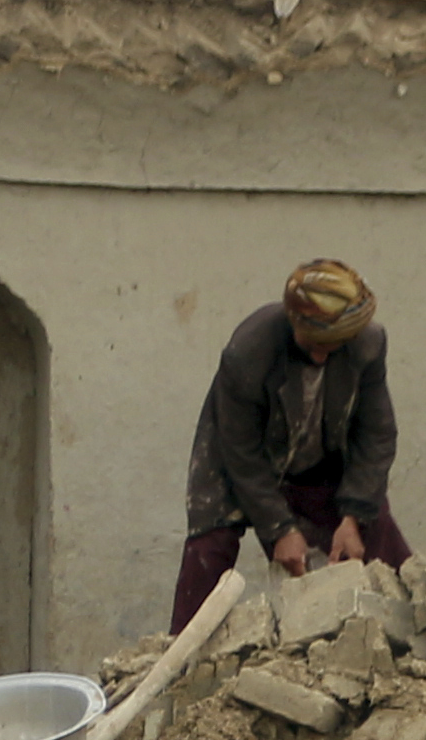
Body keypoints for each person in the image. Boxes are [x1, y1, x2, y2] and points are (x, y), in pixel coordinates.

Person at [173, 258, 410, 627]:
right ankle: (181, 658)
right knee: (209, 546)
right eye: (313, 343)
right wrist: (280, 529)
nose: (319, 355)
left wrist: (352, 518)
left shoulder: (367, 344)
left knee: (373, 525)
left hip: (321, 455)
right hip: (245, 458)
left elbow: (376, 435)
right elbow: (241, 454)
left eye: (330, 347)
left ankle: (403, 634)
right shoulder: (249, 352)